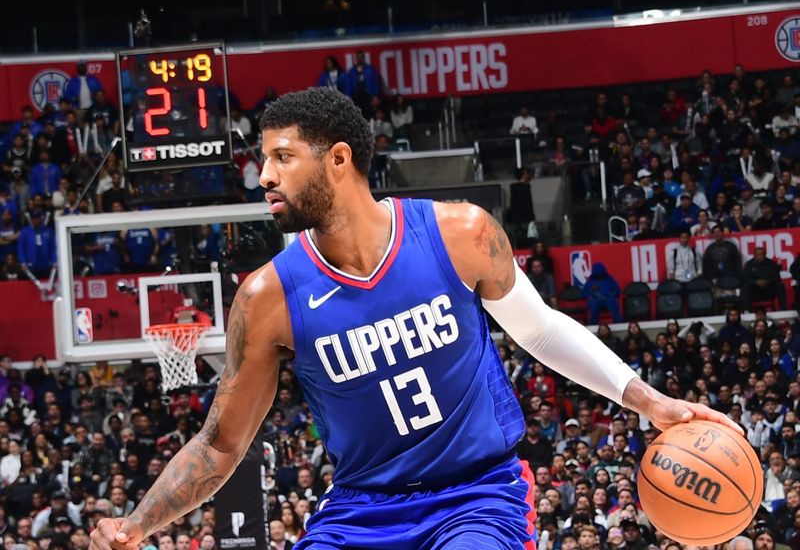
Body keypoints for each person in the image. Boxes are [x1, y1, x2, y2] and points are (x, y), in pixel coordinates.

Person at [89, 87, 740, 550]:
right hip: (360, 510)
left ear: (338, 160)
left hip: (477, 495)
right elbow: (221, 444)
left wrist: (646, 399)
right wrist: (136, 525)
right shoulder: (267, 298)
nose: (263, 175)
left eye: (282, 158)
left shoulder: (459, 233)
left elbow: (537, 327)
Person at [742, 247, 787, 311]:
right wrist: (756, 282)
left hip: (768, 290)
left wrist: (768, 281)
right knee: (745, 288)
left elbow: (777, 278)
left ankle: (783, 309)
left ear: (765, 255)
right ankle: (747, 310)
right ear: (754, 255)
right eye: (758, 255)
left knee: (780, 286)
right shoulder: (749, 264)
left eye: (762, 254)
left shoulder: (771, 263)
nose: (760, 256)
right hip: (755, 291)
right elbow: (745, 278)